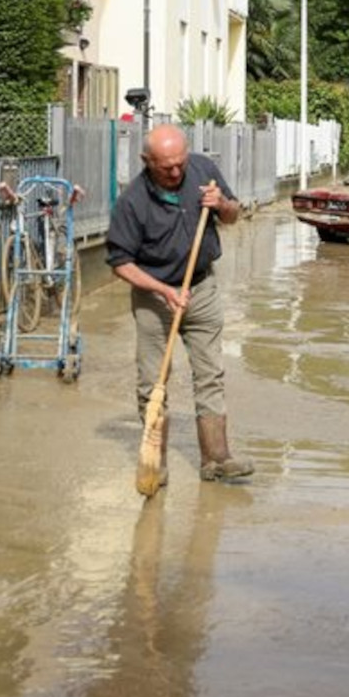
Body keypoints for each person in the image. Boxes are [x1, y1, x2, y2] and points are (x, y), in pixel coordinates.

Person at [107, 124, 254, 482]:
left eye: (180, 163)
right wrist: (164, 291)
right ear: (147, 162)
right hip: (154, 297)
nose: (175, 172)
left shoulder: (202, 170)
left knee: (210, 374)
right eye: (166, 167)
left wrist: (221, 204)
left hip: (201, 288)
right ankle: (155, 463)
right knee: (152, 380)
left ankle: (217, 458)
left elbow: (234, 215)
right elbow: (120, 263)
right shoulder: (132, 202)